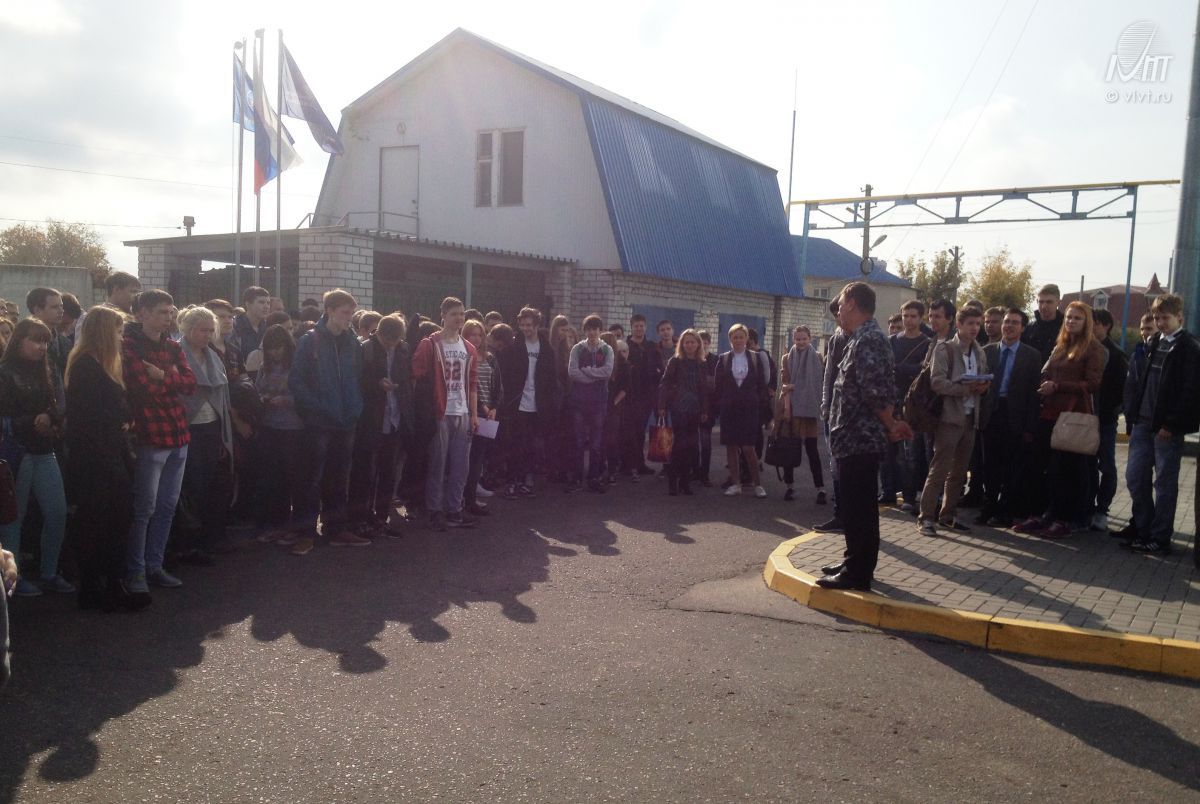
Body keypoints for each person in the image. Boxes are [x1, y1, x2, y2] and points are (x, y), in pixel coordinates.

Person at [818, 282, 912, 591]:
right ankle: (852, 561)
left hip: (860, 439)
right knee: (853, 506)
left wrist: (891, 424)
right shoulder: (859, 338)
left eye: (842, 304)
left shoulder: (869, 339)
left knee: (861, 509)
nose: (838, 310)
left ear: (853, 305)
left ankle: (858, 573)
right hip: (850, 439)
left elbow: (876, 392)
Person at [122, 290, 197, 594]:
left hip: (178, 434)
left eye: (170, 312)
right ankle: (136, 571)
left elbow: (190, 384)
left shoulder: (173, 346)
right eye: (161, 312)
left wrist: (162, 376)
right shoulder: (128, 346)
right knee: (145, 508)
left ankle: (155, 565)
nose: (168, 318)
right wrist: (171, 378)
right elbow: (141, 387)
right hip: (151, 436)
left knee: (167, 506)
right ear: (142, 313)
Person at [65, 306, 138, 610]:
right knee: (99, 522)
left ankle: (110, 583)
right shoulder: (85, 366)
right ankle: (98, 587)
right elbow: (87, 418)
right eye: (118, 331)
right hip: (96, 458)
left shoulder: (102, 364)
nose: (121, 338)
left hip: (110, 451)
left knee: (116, 519)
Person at [1014, 301, 1104, 539]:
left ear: (1086, 322)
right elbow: (1046, 369)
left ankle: (1065, 519)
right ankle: (1041, 514)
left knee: (1067, 470)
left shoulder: (1092, 348)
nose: (1071, 321)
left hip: (1072, 415)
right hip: (1049, 412)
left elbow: (1093, 383)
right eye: (1069, 317)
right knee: (1040, 465)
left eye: (1077, 318)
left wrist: (1059, 385)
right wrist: (1045, 381)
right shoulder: (1061, 345)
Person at [288, 288, 369, 554]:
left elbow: (357, 378)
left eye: (352, 313)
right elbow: (297, 382)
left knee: (339, 478)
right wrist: (318, 408)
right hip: (319, 422)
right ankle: (305, 533)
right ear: (330, 311)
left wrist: (355, 407)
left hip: (346, 420)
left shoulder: (353, 342)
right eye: (345, 312)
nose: (349, 318)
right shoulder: (309, 341)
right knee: (311, 478)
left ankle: (336, 529)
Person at [1120, 293, 1200, 554]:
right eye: (1156, 317)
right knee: (1135, 477)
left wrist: (1171, 424)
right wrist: (1132, 417)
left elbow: (1190, 392)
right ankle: (1143, 529)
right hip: (1143, 423)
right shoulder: (1154, 342)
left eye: (1165, 317)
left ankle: (1160, 536)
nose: (1160, 322)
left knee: (1164, 483)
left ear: (1179, 317)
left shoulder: (1189, 348)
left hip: (1166, 428)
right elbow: (1140, 382)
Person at [0, 320, 72, 597]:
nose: (42, 346)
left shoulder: (47, 369)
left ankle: (49, 572)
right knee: (13, 518)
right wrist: (35, 420)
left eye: (45, 341)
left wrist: (50, 417)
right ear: (19, 340)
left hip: (43, 449)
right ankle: (13, 579)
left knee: (57, 512)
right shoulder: (5, 372)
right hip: (16, 452)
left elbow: (59, 404)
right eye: (35, 340)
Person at [917, 307, 990, 537]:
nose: (975, 328)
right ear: (958, 324)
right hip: (949, 417)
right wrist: (964, 389)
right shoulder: (945, 348)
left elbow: (983, 378)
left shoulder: (979, 351)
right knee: (939, 469)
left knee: (959, 472)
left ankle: (947, 515)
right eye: (970, 323)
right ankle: (926, 518)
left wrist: (983, 387)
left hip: (970, 417)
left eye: (978, 323)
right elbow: (937, 382)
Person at [412, 297, 479, 530]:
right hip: (439, 412)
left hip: (462, 411)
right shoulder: (430, 344)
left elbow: (472, 384)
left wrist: (473, 414)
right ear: (443, 316)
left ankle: (454, 509)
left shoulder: (469, 348)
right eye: (454, 314)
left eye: (461, 313)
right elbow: (416, 376)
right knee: (437, 464)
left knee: (461, 465)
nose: (459, 318)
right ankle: (434, 510)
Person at [176, 306, 235, 564]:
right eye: (203, 330)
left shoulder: (214, 357)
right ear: (188, 330)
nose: (208, 335)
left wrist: (224, 434)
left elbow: (223, 397)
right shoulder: (176, 353)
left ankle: (210, 538)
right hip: (187, 428)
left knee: (213, 484)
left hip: (212, 427)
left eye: (211, 331)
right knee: (191, 486)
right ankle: (189, 544)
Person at [977, 308, 1042, 527]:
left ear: (1022, 328)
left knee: (1011, 467)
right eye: (1006, 322)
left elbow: (1033, 394)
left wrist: (1030, 426)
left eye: (1014, 322)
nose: (1009, 326)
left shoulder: (1032, 356)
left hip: (1015, 417)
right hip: (991, 414)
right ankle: (988, 507)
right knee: (989, 465)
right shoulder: (987, 351)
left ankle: (1004, 510)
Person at [349, 314, 413, 535]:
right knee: (365, 472)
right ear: (380, 334)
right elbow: (356, 380)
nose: (391, 345)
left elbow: (406, 382)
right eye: (388, 341)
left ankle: (381, 517)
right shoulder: (365, 349)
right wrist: (377, 383)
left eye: (396, 341)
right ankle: (361, 518)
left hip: (395, 418)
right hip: (372, 419)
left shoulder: (403, 350)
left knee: (388, 472)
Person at [254, 325, 306, 544]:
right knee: (271, 477)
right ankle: (273, 523)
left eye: (279, 348)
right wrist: (263, 398)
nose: (275, 353)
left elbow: (306, 396)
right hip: (269, 426)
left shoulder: (298, 366)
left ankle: (291, 525)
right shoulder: (264, 367)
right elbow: (257, 390)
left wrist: (286, 400)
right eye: (271, 349)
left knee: (291, 476)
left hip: (293, 428)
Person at [498, 307, 557, 499]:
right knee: (516, 443)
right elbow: (506, 374)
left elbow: (551, 378)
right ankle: (512, 481)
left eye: (529, 325)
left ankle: (527, 479)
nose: (525, 328)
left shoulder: (546, 348)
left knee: (533, 444)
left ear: (537, 325)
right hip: (519, 402)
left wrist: (549, 402)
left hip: (539, 404)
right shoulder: (514, 347)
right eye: (522, 325)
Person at [883, 300, 930, 510]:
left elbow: (923, 371)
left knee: (910, 453)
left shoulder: (927, 343)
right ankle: (887, 492)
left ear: (921, 318)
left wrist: (900, 368)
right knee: (888, 451)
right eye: (905, 316)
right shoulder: (892, 341)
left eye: (913, 316)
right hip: (890, 401)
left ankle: (909, 497)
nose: (908, 320)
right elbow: (884, 368)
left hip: (914, 404)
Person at [715, 324, 768, 498]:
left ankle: (757, 485)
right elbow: (718, 386)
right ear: (730, 340)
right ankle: (736, 484)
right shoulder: (723, 359)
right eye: (734, 337)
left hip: (750, 410)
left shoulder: (755, 358)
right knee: (731, 446)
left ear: (747, 339)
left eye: (741, 337)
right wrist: (721, 405)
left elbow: (762, 385)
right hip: (729, 410)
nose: (738, 340)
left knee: (748, 447)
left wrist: (763, 410)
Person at [777, 325, 826, 503]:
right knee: (790, 449)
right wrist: (787, 409)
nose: (801, 342)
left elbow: (819, 383)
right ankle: (789, 487)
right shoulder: (786, 358)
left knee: (812, 450)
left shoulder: (818, 357)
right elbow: (785, 385)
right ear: (793, 339)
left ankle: (820, 489)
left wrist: (794, 386)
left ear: (810, 339)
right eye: (797, 339)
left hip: (810, 409)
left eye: (804, 338)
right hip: (793, 408)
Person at [1089, 308, 1128, 532]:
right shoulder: (1084, 349)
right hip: (1084, 417)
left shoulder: (1115, 354)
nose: (1091, 328)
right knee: (1087, 465)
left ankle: (1102, 509)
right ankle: (1086, 505)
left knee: (1106, 466)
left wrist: (1111, 411)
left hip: (1104, 419)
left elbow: (1121, 390)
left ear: (1106, 326)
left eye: (1095, 323)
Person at [658, 328, 709, 496]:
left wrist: (704, 409)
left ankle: (685, 482)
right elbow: (665, 384)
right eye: (686, 342)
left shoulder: (702, 363)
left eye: (693, 342)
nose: (690, 345)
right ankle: (673, 482)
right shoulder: (675, 361)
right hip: (678, 408)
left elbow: (703, 389)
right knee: (678, 445)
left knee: (691, 446)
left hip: (695, 409)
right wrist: (662, 406)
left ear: (698, 344)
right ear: (682, 344)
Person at [567, 315, 615, 493]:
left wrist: (587, 371)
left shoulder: (607, 349)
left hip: (599, 402)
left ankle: (593, 478)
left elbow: (607, 372)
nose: (592, 332)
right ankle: (577, 478)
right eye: (589, 329)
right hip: (579, 401)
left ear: (600, 330)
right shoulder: (577, 349)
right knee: (578, 442)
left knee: (596, 443)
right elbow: (572, 372)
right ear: (585, 330)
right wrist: (593, 377)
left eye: (595, 329)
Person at [462, 319, 501, 515]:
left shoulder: (490, 358)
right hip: (470, 413)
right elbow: (467, 386)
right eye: (472, 334)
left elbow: (498, 386)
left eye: (480, 335)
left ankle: (471, 498)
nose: (476, 338)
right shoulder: (464, 356)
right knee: (465, 458)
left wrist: (494, 407)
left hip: (488, 416)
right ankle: (462, 498)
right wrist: (481, 407)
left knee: (478, 457)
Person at [624, 314, 663, 477]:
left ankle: (639, 464)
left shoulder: (651, 346)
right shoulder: (625, 346)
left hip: (647, 396)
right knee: (630, 432)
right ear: (631, 327)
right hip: (629, 396)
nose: (639, 329)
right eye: (636, 326)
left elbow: (660, 367)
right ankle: (628, 465)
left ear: (645, 327)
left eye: (641, 326)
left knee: (640, 432)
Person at [26, 288, 69, 409]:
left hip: (63, 411)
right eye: (55, 307)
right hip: (36, 411)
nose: (61, 311)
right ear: (37, 310)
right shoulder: (25, 343)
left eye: (61, 306)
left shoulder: (64, 342)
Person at [74, 270, 140, 341]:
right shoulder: (92, 318)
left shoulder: (136, 318)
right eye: (133, 291)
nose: (136, 297)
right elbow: (82, 346)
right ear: (116, 290)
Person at [599, 332, 629, 485]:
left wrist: (614, 403)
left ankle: (611, 470)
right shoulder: (597, 359)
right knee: (599, 439)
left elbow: (625, 387)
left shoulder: (621, 362)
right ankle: (599, 468)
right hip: (598, 405)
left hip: (612, 408)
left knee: (611, 440)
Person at [696, 330, 719, 487]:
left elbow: (715, 383)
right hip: (692, 406)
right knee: (691, 442)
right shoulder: (692, 359)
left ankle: (704, 474)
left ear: (709, 343)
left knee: (705, 441)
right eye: (700, 343)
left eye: (705, 343)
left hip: (708, 407)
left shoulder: (715, 360)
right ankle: (694, 471)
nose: (702, 346)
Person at [1022, 284, 1064, 363]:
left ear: (1059, 302)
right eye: (1041, 302)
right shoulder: (1028, 329)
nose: (1044, 306)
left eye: (1049, 302)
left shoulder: (1066, 329)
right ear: (1037, 302)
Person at [233, 286, 272, 358]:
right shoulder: (235, 325)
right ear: (248, 304)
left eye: (268, 303)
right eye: (261, 302)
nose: (266, 306)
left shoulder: (268, 327)